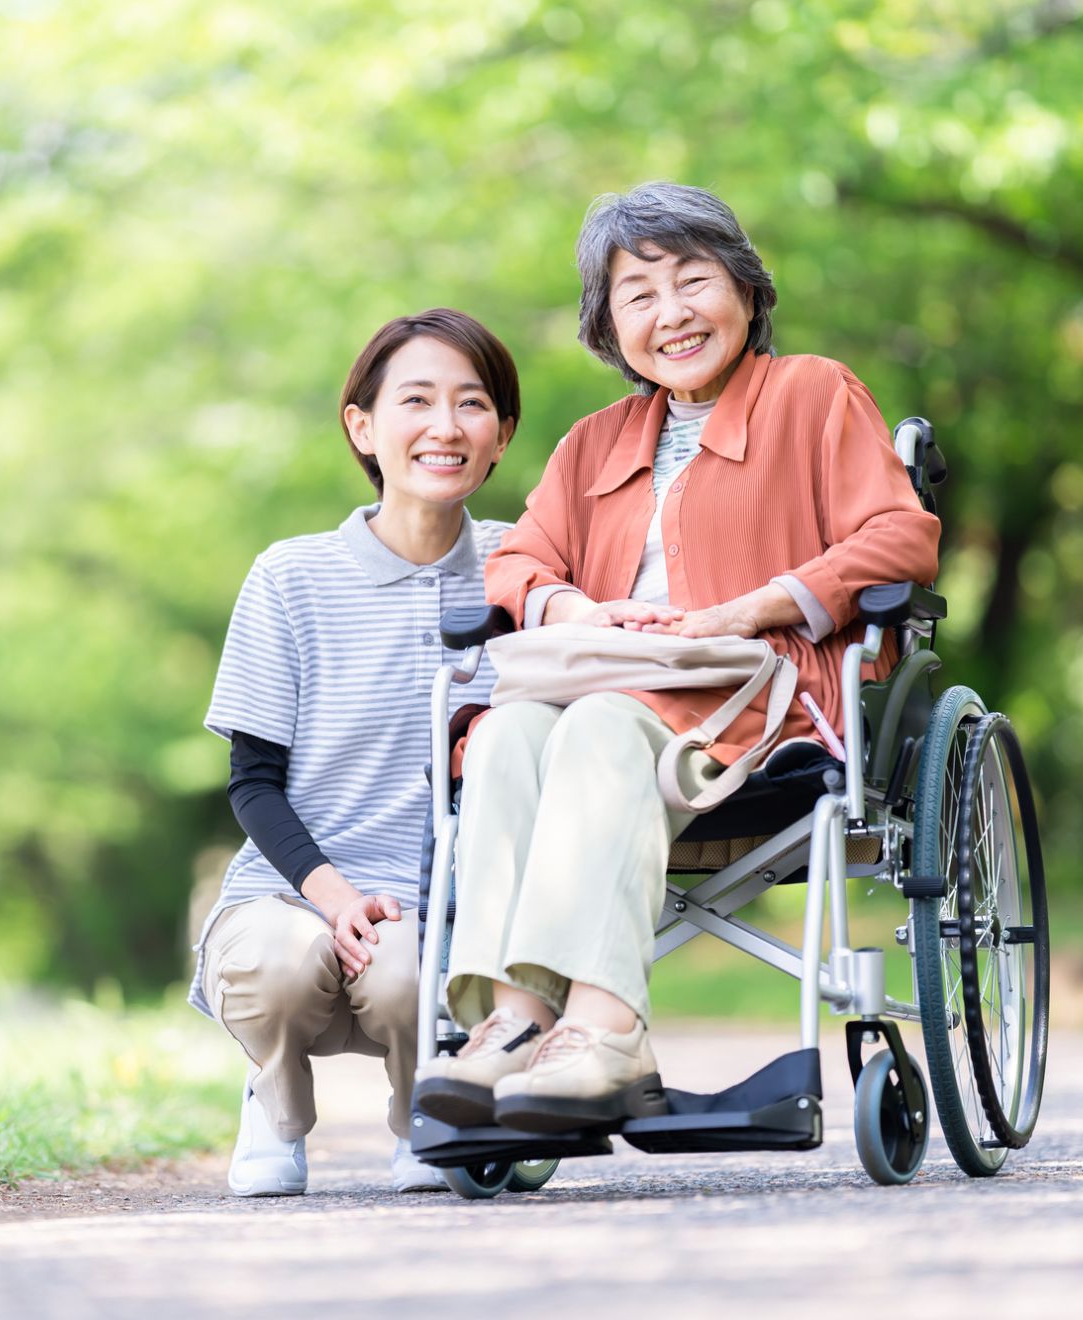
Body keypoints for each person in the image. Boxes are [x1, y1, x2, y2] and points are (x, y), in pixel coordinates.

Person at [414, 183, 941, 1133]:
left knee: (601, 728)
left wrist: (757, 606)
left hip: (761, 701)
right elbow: (521, 559)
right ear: (609, 327)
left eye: (692, 281)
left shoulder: (814, 395)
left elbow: (899, 538)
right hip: (610, 689)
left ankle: (608, 1033)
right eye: (638, 296)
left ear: (743, 288)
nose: (672, 314)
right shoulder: (592, 445)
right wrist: (576, 607)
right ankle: (518, 1020)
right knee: (502, 736)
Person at [191, 308, 520, 1194]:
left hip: (443, 910)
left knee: (412, 968)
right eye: (415, 400)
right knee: (285, 963)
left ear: (502, 436)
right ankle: (276, 1101)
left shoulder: (527, 571)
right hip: (293, 892)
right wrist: (334, 897)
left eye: (472, 404)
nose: (444, 427)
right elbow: (253, 783)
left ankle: (430, 1109)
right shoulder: (289, 576)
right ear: (363, 426)